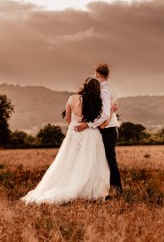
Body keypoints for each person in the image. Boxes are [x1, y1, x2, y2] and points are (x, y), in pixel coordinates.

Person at [22, 77, 112, 204]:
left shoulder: (71, 99)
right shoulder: (98, 102)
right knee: (89, 162)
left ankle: (67, 184)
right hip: (91, 135)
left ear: (84, 86)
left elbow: (67, 118)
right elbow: (103, 120)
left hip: (74, 134)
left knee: (69, 161)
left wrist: (74, 126)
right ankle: (88, 190)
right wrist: (91, 123)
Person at [74, 62, 122, 197]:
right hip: (109, 127)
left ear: (96, 75)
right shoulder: (110, 87)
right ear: (108, 75)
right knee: (106, 159)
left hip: (108, 128)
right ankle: (107, 188)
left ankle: (116, 189)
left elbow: (105, 114)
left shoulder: (105, 90)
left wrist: (87, 125)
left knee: (109, 159)